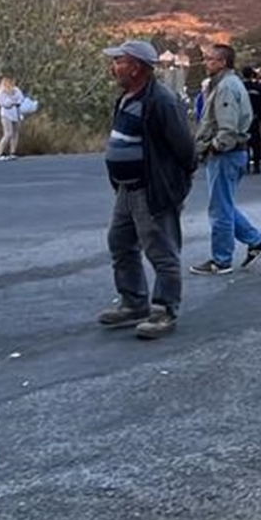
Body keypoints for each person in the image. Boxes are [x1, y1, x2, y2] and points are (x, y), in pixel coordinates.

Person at [96, 40, 197, 339]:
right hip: (127, 189)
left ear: (136, 67)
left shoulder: (161, 101)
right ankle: (133, 303)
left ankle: (164, 310)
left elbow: (185, 150)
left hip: (151, 190)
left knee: (161, 250)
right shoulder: (127, 96)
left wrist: (174, 188)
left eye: (120, 61)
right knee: (120, 243)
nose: (114, 66)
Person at [190, 44, 261, 275]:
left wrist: (214, 148)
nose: (206, 62)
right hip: (232, 154)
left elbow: (227, 127)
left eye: (210, 59)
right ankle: (256, 240)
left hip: (226, 154)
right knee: (223, 204)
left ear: (222, 62)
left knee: (220, 209)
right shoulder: (225, 84)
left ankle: (221, 260)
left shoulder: (226, 87)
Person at [241, 66, 261, 175]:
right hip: (256, 117)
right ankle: (257, 165)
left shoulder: (240, 87)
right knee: (256, 141)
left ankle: (246, 165)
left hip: (242, 118)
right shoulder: (259, 87)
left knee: (244, 141)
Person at [0, 76, 24, 160]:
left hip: (16, 113)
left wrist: (15, 101)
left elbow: (21, 99)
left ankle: (13, 152)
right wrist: (13, 101)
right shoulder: (1, 92)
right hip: (6, 114)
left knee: (15, 133)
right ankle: (0, 153)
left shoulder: (16, 90)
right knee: (8, 133)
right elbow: (5, 103)